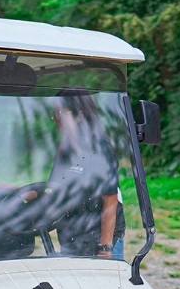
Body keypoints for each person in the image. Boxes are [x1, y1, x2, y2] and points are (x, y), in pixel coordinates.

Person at [24, 90, 125, 259]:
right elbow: (54, 188)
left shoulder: (99, 148)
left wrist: (105, 248)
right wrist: (20, 193)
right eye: (54, 113)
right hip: (72, 234)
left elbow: (110, 199)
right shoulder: (65, 149)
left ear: (80, 115)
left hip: (99, 238)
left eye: (61, 112)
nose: (55, 118)